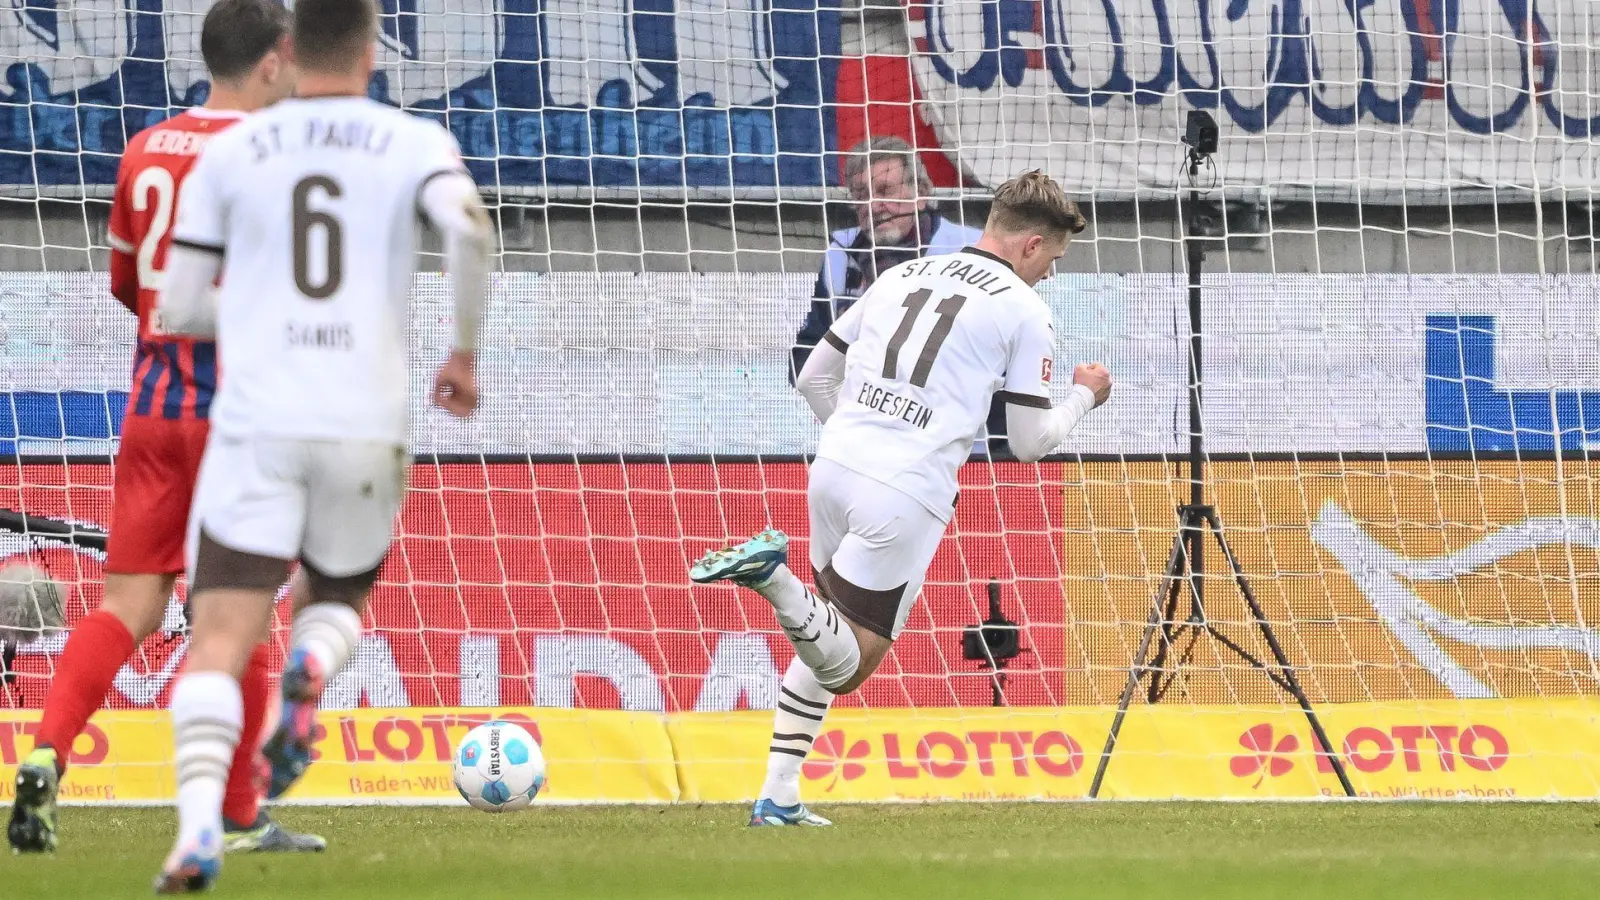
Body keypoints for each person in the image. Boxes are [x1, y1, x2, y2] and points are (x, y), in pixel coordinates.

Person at [149, 0, 490, 889]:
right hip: (364, 423)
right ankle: (312, 664)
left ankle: (195, 835)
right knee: (335, 596)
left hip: (258, 421)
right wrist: (463, 353)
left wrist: (263, 307)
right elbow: (470, 229)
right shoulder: (412, 142)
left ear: (290, 50)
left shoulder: (232, 150)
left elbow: (178, 308)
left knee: (220, 633)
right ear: (374, 50)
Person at [691, 171, 1111, 827]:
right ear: (1032, 245)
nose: (1051, 275)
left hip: (834, 468)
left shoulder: (905, 273)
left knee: (826, 634)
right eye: (1053, 259)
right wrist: (1085, 394)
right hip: (905, 489)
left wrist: (855, 440)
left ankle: (778, 795)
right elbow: (1028, 443)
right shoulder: (1027, 311)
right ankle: (770, 578)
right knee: (849, 665)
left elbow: (811, 375)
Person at [6, 0, 325, 857]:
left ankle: (44, 754)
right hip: (237, 420)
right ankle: (236, 812)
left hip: (151, 410)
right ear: (276, 60)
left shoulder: (146, 148)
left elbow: (125, 281)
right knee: (240, 614)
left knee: (126, 607)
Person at [790, 137, 981, 383]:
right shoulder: (840, 253)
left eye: (885, 190)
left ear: (921, 193)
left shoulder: (969, 249)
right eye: (861, 195)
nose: (873, 205)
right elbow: (805, 357)